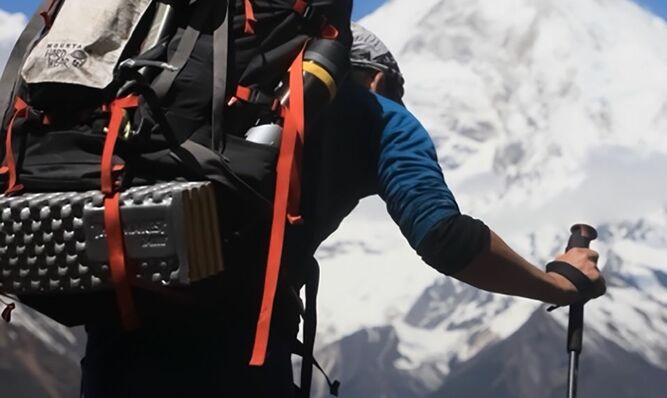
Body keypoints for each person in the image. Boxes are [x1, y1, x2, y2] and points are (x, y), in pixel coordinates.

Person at [79, 24, 605, 398]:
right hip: (234, 350)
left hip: (116, 334)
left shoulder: (206, 96)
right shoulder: (377, 112)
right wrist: (555, 283)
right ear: (377, 80)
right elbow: (445, 238)